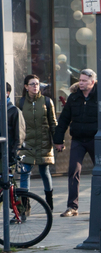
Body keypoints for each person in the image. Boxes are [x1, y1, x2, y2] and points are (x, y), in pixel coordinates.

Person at [53, 69, 101, 217]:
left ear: (92, 82)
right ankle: (72, 207)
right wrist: (58, 140)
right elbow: (63, 120)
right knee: (73, 170)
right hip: (78, 140)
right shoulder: (74, 98)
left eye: (84, 81)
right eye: (80, 80)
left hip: (96, 140)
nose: (80, 83)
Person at [18, 76, 55, 209]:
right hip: (27, 144)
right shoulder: (21, 103)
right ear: (26, 87)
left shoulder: (46, 101)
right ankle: (24, 206)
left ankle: (49, 203)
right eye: (32, 84)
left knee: (44, 171)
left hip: (43, 143)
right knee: (24, 172)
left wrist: (57, 141)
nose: (35, 86)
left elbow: (53, 123)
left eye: (37, 84)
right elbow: (18, 125)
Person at [2, 82, 25, 166]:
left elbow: (19, 135)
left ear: (7, 93)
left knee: (7, 178)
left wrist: (14, 153)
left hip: (8, 153)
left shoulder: (14, 111)